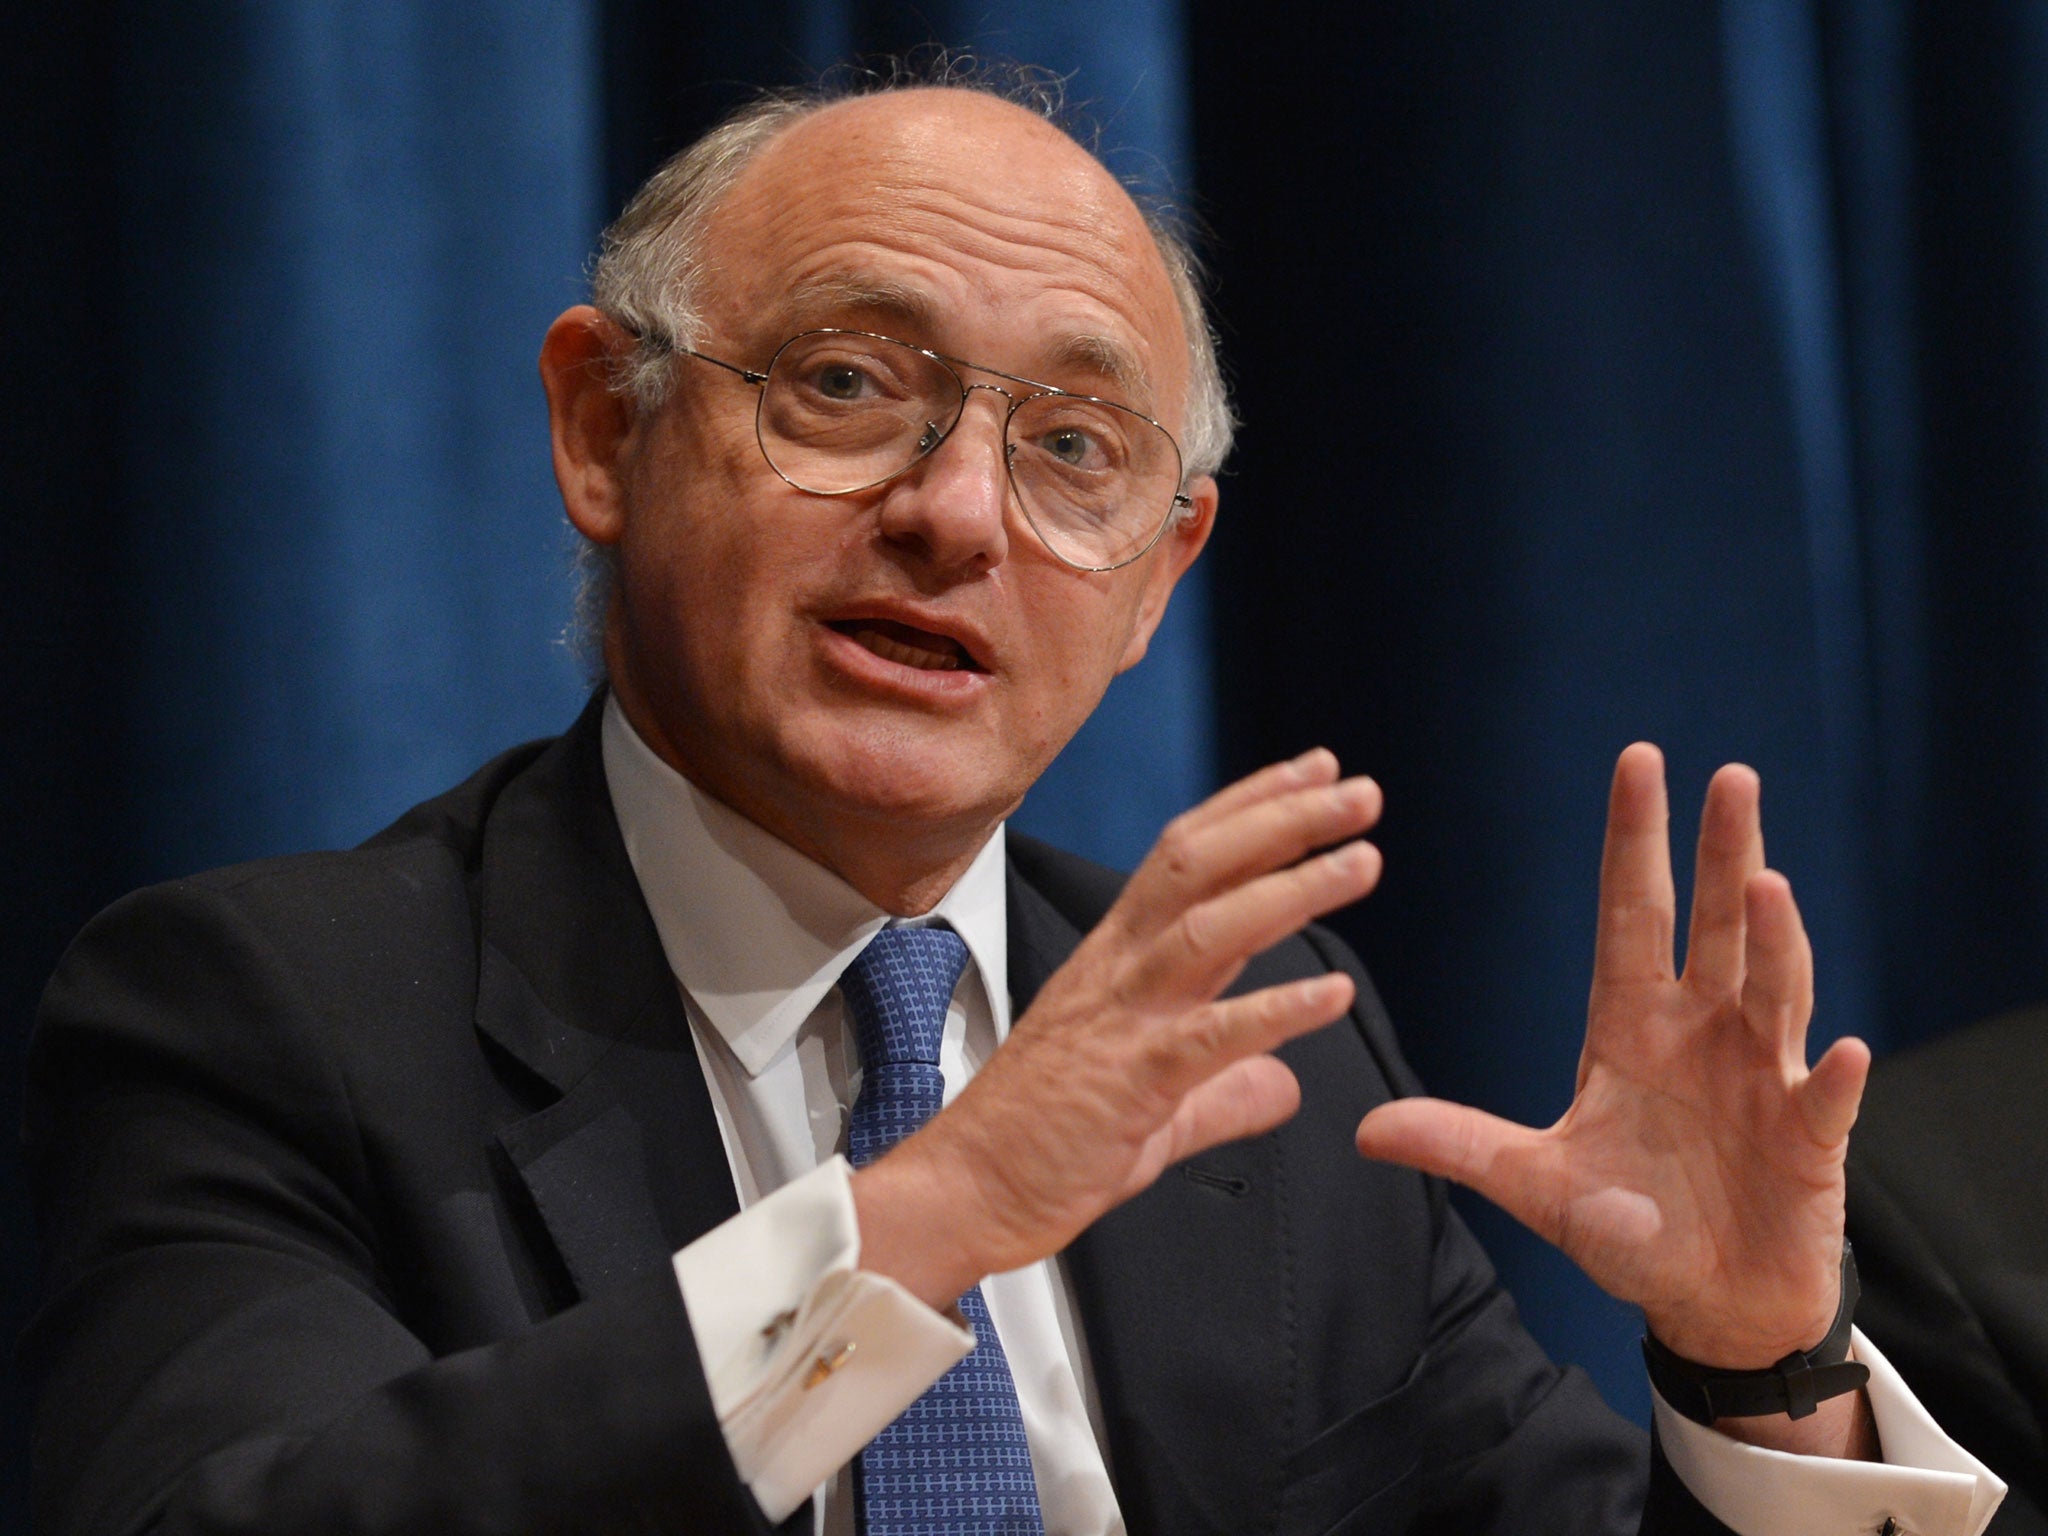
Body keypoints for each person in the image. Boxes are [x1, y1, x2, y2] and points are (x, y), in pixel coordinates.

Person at [22, 66, 2006, 1536]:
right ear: (599, 428)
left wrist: (1763, 1369)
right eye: (843, 387)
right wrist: (929, 1219)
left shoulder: (1272, 1086)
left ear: (1159, 574)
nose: (954, 513)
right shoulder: (266, 1017)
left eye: (1070, 446)